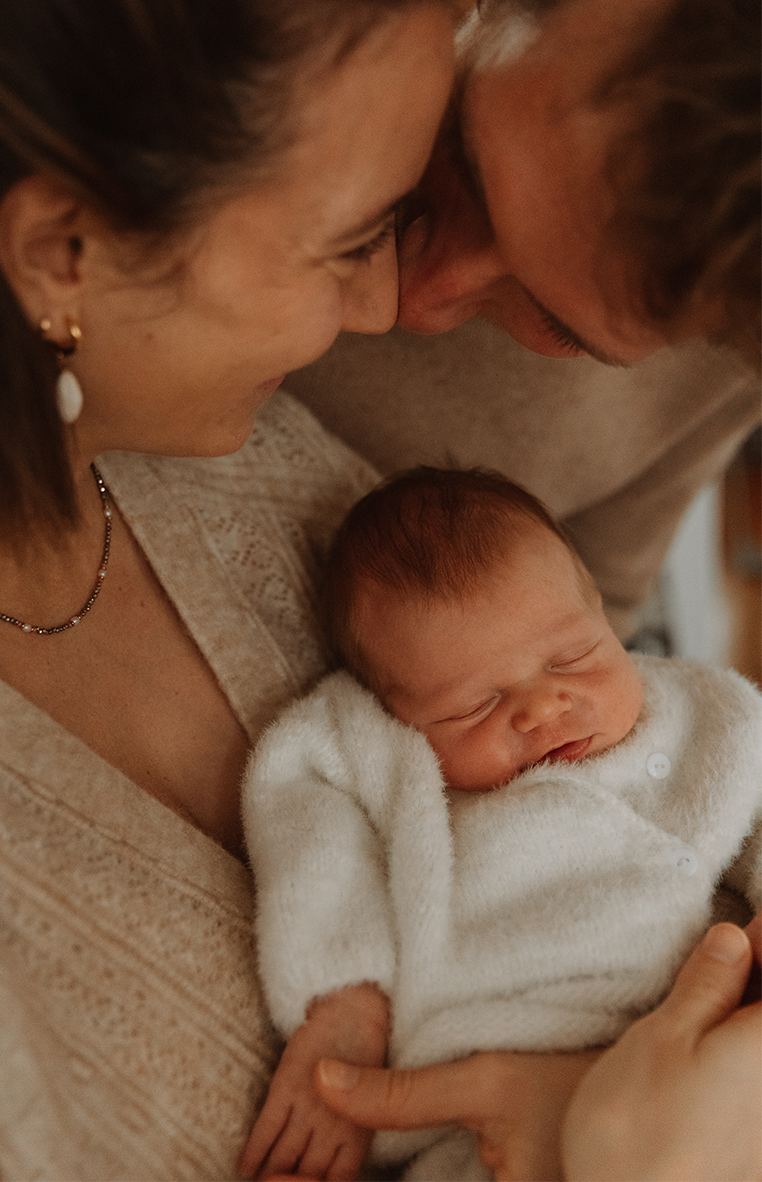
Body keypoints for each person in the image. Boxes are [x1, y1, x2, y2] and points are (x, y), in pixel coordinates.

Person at [0, 0, 757, 1180]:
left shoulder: (272, 475)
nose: (400, 302)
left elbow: (617, 747)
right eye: (360, 230)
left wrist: (610, 1080)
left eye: (562, 320)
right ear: (63, 257)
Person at [285, 0, 761, 644]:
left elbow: (583, 608)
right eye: (464, 161)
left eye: (558, 326)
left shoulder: (727, 344)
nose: (409, 302)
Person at [242, 467, 760, 1181]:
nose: (544, 708)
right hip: (479, 1083)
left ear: (607, 620)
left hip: (706, 1060)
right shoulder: (370, 749)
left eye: (572, 657)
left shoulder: (704, 718)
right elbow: (309, 831)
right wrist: (349, 1001)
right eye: (474, 707)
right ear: (391, 712)